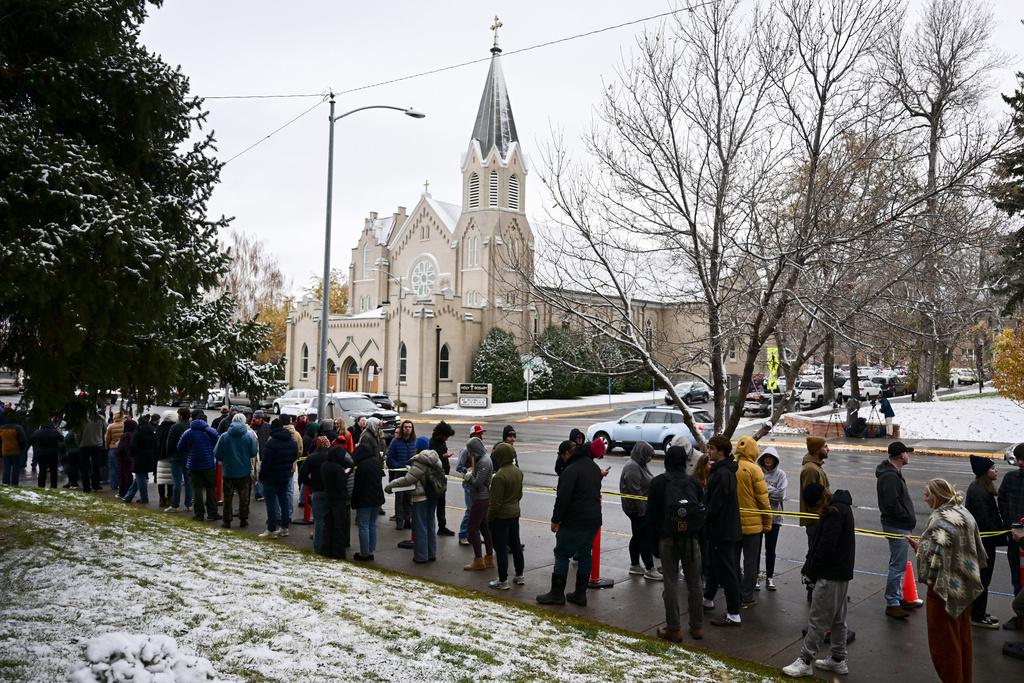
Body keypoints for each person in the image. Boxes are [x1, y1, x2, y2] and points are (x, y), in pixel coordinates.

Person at [908, 479, 986, 683]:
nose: (925, 500)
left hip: (943, 590)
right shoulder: (964, 513)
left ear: (936, 495)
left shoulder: (940, 520)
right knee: (963, 640)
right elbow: (974, 547)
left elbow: (933, 557)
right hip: (966, 585)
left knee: (945, 645)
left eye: (926, 495)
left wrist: (918, 549)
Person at [782, 484, 855, 678]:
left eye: (814, 506)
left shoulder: (833, 513)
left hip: (830, 574)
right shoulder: (842, 507)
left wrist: (812, 571)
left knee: (817, 619)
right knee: (838, 619)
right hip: (841, 573)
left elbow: (824, 546)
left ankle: (805, 661)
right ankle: (838, 659)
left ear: (818, 501)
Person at [646, 444, 705, 642]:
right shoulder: (694, 483)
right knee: (694, 583)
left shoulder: (657, 483)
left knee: (670, 582)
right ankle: (697, 627)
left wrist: (653, 544)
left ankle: (674, 628)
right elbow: (700, 513)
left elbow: (651, 518)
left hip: (668, 538)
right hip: (691, 539)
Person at [536, 437, 603, 607]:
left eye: (562, 456)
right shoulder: (594, 467)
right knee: (585, 555)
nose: (562, 459)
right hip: (593, 520)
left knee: (562, 554)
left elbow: (563, 499)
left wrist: (555, 520)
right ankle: (580, 594)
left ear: (567, 454)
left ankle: (557, 594)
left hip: (574, 521)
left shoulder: (571, 470)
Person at [701, 435, 743, 626]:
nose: (708, 451)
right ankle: (708, 599)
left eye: (712, 449)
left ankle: (734, 613)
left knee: (727, 571)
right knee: (713, 566)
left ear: (721, 451)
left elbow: (716, 504)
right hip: (720, 530)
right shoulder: (721, 470)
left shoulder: (723, 473)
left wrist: (703, 518)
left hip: (723, 531)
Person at [875, 441, 919, 619]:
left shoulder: (893, 474)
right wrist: (905, 516)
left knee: (899, 565)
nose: (908, 455)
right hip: (897, 526)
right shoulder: (890, 476)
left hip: (900, 525)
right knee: (897, 566)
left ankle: (898, 598)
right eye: (907, 453)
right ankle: (892, 603)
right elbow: (891, 504)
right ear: (901, 456)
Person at [965, 455, 1005, 629]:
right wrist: (1003, 536)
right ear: (984, 473)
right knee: (983, 579)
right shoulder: (978, 491)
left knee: (982, 579)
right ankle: (977, 616)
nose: (996, 470)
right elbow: (985, 520)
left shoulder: (981, 489)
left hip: (985, 541)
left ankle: (978, 612)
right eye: (992, 468)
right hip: (983, 543)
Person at [385, 447, 443, 563]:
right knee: (430, 525)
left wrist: (390, 486)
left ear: (418, 450)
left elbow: (408, 480)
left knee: (419, 527)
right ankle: (431, 553)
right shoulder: (436, 459)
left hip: (420, 498)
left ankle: (421, 556)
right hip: (433, 496)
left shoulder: (419, 462)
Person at [734, 436, 771, 607]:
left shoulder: (730, 467)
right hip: (753, 526)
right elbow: (763, 500)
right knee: (750, 562)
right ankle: (747, 595)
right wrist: (767, 522)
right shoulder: (755, 470)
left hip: (733, 523)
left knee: (733, 560)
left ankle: (733, 591)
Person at [620, 441, 660, 580]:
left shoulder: (640, 464)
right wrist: (643, 511)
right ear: (642, 453)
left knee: (637, 536)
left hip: (641, 507)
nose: (650, 459)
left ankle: (635, 565)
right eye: (649, 455)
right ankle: (649, 568)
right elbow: (635, 491)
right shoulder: (632, 467)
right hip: (636, 509)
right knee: (644, 537)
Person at [487, 442, 525, 589]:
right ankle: (519, 575)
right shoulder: (518, 472)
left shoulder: (499, 477)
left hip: (501, 517)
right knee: (515, 544)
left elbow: (495, 503)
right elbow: (519, 494)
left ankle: (502, 580)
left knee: (501, 548)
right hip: (515, 513)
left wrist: (489, 518)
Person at [215, 413, 257, 529]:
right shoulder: (249, 436)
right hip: (244, 471)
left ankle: (227, 521)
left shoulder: (224, 436)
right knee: (244, 497)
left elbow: (217, 454)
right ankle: (243, 519)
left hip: (228, 471)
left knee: (228, 497)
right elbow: (253, 452)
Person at [801, 436, 831, 601]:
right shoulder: (811, 469)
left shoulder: (816, 467)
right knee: (815, 554)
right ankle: (813, 590)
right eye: (825, 446)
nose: (828, 449)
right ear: (816, 450)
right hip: (816, 520)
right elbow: (811, 497)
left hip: (820, 519)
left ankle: (819, 590)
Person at [176, 409, 220, 522]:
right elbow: (219, 439)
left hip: (193, 464)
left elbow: (179, 447)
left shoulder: (188, 432)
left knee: (197, 489)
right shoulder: (210, 431)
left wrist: (189, 451)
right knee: (211, 488)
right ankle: (212, 513)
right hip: (208, 464)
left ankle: (199, 514)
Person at [258, 418, 299, 538]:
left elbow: (266, 463)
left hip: (271, 477)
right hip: (285, 475)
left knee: (271, 503)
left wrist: (261, 476)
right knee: (284, 501)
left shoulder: (271, 443)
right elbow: (294, 457)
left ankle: (271, 529)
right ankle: (285, 528)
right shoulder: (292, 441)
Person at [351, 426, 385, 560]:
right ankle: (370, 550)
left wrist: (354, 502)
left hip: (364, 500)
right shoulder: (375, 462)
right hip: (376, 498)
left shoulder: (362, 467)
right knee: (372, 525)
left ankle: (364, 553)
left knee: (363, 526)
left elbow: (357, 486)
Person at [462, 436, 495, 570]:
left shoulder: (484, 462)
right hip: (482, 497)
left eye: (471, 451)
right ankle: (488, 558)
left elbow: (478, 483)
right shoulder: (482, 458)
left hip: (481, 498)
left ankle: (478, 560)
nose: (470, 454)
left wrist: (469, 477)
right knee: (484, 528)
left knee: (472, 528)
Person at [998, 443, 1024, 608]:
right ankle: (1020, 615)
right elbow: (1002, 500)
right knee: (1017, 578)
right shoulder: (1010, 478)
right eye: (1019, 459)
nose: (1020, 462)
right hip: (1014, 540)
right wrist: (1010, 526)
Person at [757, 446, 787, 592]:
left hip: (775, 518)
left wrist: (763, 490)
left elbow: (781, 495)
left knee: (771, 549)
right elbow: (754, 493)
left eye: (771, 458)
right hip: (758, 517)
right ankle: (755, 577)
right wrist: (769, 491)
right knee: (755, 548)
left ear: (775, 460)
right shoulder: (757, 472)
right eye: (765, 457)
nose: (768, 460)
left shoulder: (781, 474)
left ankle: (769, 577)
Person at [299, 435, 332, 552]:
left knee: (318, 521)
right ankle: (329, 546)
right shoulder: (333, 457)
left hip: (317, 490)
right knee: (330, 521)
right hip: (331, 491)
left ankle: (318, 548)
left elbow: (302, 476)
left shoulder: (312, 458)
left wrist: (311, 483)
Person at [320, 445, 354, 559]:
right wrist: (346, 473)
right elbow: (340, 484)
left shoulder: (324, 465)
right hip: (338, 500)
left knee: (328, 525)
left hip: (328, 497)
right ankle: (338, 552)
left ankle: (326, 549)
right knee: (339, 526)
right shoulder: (337, 468)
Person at [456, 424, 486, 545]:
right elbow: (459, 467)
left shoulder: (481, 449)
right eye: (478, 434)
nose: (481, 436)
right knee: (470, 510)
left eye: (481, 434)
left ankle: (473, 534)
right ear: (472, 435)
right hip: (469, 484)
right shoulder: (465, 450)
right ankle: (463, 534)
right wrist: (467, 472)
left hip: (478, 483)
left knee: (479, 510)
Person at [387, 420, 417, 530]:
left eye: (410, 427)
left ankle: (407, 520)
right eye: (405, 427)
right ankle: (399, 521)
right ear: (402, 429)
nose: (408, 429)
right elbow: (389, 458)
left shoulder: (415, 442)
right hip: (399, 474)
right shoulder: (395, 441)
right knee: (399, 499)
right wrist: (398, 465)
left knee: (409, 499)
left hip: (411, 475)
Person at [123, 414, 157, 503]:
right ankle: (128, 497)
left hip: (139, 457)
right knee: (139, 477)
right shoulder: (152, 432)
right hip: (150, 456)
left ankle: (144, 498)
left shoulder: (138, 433)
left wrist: (132, 455)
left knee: (140, 477)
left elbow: (132, 447)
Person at [430, 420, 456, 536]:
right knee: (435, 502)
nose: (447, 439)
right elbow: (432, 459)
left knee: (442, 502)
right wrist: (443, 456)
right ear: (441, 434)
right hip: (436, 477)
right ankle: (431, 525)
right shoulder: (433, 443)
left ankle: (442, 526)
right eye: (446, 436)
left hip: (443, 475)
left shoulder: (442, 442)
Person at [164, 408, 193, 512]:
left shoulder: (175, 426)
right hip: (188, 456)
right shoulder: (191, 425)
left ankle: (175, 505)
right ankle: (188, 504)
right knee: (188, 481)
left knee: (177, 482)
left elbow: (170, 443)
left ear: (180, 415)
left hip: (176, 457)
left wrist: (169, 454)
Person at [30, 415, 65, 489]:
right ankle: (53, 485)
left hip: (40, 454)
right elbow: (62, 439)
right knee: (53, 470)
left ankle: (41, 485)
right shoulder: (54, 432)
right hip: (52, 453)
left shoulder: (37, 432)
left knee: (42, 470)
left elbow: (31, 440)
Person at [77, 408, 105, 493]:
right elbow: (104, 431)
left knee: (85, 467)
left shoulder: (82, 419)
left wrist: (79, 443)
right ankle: (95, 485)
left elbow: (78, 434)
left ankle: (86, 487)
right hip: (97, 445)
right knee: (96, 466)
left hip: (84, 445)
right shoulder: (101, 418)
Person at [154, 410, 176, 507]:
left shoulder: (159, 428)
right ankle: (170, 499)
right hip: (170, 457)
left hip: (160, 457)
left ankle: (161, 499)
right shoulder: (173, 428)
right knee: (170, 481)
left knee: (161, 480)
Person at [0, 409, 28, 486]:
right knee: (16, 468)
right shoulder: (18, 428)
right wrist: (22, 448)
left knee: (6, 468)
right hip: (16, 451)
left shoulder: (2, 428)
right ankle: (14, 483)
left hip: (5, 451)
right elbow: (23, 440)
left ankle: (5, 483)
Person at [250, 410, 271, 502]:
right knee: (255, 475)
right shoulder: (251, 427)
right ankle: (258, 493)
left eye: (258, 418)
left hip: (265, 454)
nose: (256, 420)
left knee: (263, 474)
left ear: (262, 419)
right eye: (255, 418)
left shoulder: (268, 427)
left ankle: (262, 492)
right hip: (255, 455)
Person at [114, 418, 137, 497]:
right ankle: (129, 491)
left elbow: (122, 448)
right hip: (131, 458)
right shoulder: (134, 434)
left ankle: (122, 492)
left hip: (123, 458)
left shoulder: (125, 435)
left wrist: (117, 453)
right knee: (129, 475)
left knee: (122, 475)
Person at [104, 412, 125, 492]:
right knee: (121, 467)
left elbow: (107, 438)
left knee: (113, 468)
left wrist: (107, 447)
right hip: (122, 448)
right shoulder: (124, 425)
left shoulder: (111, 426)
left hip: (113, 448)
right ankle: (122, 484)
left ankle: (114, 485)